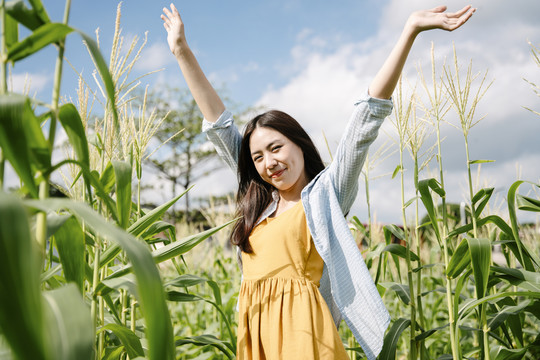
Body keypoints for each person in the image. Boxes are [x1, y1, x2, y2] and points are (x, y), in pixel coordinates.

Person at [161, 4, 475, 360]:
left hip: (305, 337)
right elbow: (219, 125)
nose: (269, 163)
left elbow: (365, 119)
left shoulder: (326, 195)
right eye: (258, 157)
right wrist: (182, 52)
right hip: (256, 336)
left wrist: (410, 31)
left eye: (276, 148)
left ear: (299, 143)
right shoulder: (259, 202)